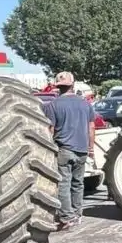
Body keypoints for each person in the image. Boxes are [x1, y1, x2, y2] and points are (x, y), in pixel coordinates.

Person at [42, 71, 96, 230]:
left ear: (58, 87)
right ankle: (77, 214)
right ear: (73, 84)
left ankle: (66, 217)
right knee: (78, 183)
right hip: (82, 149)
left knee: (63, 184)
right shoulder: (85, 104)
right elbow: (91, 127)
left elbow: (49, 129)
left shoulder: (53, 105)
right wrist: (90, 147)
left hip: (64, 150)